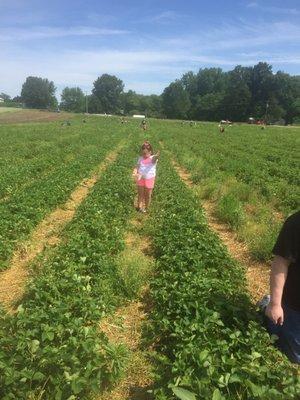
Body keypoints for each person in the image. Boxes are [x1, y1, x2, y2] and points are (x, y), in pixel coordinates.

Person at [264, 210, 300, 363]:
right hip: (294, 304)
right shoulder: (295, 223)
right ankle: (267, 305)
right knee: (295, 357)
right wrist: (275, 304)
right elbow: (280, 264)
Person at [132, 141, 159, 213]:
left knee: (148, 195)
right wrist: (135, 171)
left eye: (145, 153)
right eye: (142, 153)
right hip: (140, 178)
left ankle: (146, 208)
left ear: (150, 152)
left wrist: (156, 156)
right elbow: (137, 166)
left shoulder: (152, 158)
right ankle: (139, 207)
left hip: (149, 179)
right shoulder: (140, 158)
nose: (143, 155)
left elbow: (154, 159)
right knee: (140, 193)